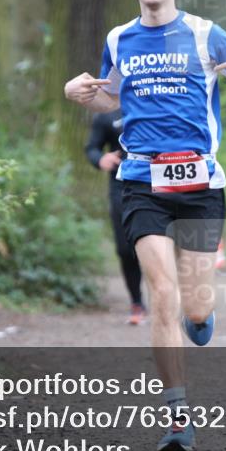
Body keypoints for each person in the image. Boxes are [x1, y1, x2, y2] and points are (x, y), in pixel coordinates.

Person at [64, 0, 226, 451]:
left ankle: (200, 316)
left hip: (201, 183)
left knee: (197, 309)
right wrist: (81, 95)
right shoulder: (119, 39)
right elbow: (111, 98)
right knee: (162, 292)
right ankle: (178, 415)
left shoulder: (206, 35)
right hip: (141, 182)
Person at [85, 110, 146, 324]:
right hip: (121, 185)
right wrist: (100, 158)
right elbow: (91, 148)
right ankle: (137, 302)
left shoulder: (151, 98)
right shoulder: (106, 114)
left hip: (156, 181)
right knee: (125, 248)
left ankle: (177, 297)